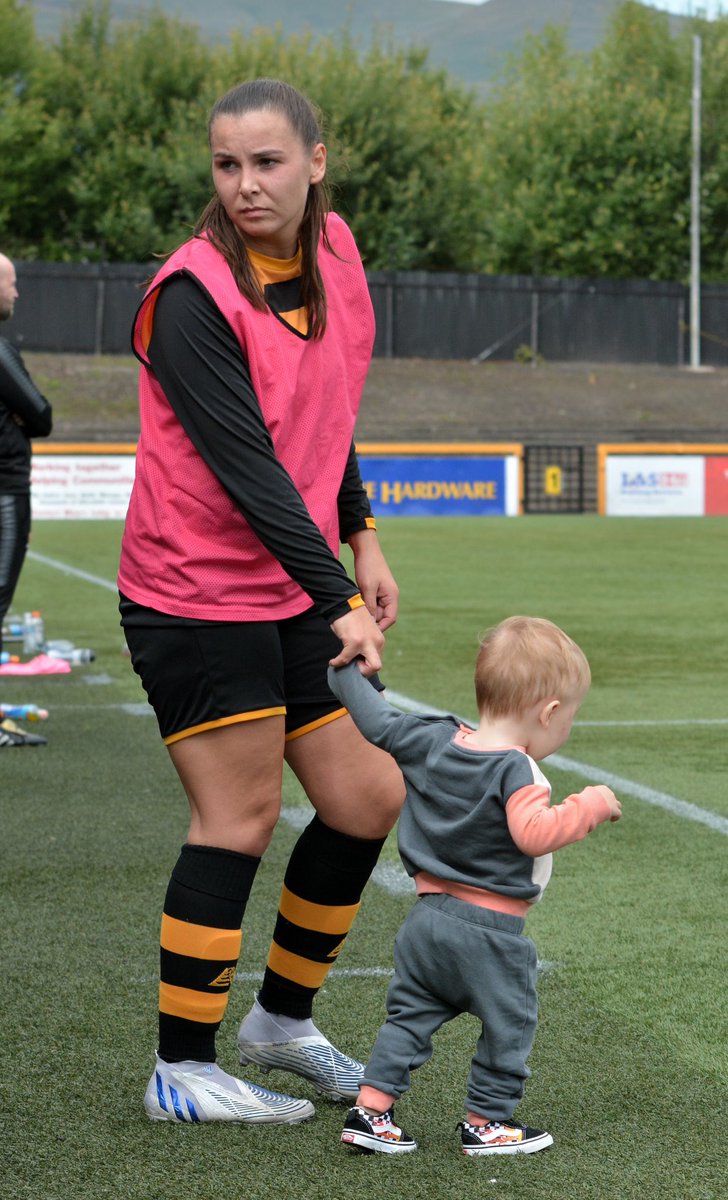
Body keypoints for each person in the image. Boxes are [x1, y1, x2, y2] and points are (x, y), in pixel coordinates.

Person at [117, 78, 404, 1125]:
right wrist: (337, 594)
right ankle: (180, 1070)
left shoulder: (334, 255)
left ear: (315, 162)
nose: (245, 184)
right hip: (195, 595)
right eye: (227, 166)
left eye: (267, 162)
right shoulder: (192, 294)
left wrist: (361, 531)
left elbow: (326, 408)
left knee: (365, 798)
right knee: (235, 817)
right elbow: (249, 468)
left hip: (290, 586)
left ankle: (279, 1024)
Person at [328, 615, 622, 1157]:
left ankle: (371, 1112)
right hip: (490, 931)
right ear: (549, 712)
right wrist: (591, 805)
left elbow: (375, 720)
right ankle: (487, 1121)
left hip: (425, 921)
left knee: (409, 1018)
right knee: (510, 1022)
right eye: (569, 718)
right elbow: (533, 834)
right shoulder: (518, 769)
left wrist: (347, 670)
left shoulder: (431, 738)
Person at [0, 253, 52, 748]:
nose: (16, 294)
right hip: (4, 493)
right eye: (10, 285)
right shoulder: (0, 351)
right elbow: (40, 414)